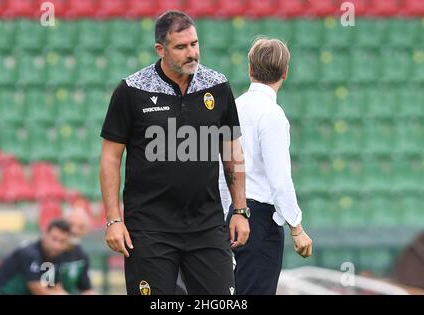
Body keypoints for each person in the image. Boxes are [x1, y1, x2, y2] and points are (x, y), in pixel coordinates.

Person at [100, 10, 250, 295]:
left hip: (207, 226)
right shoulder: (132, 91)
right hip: (149, 229)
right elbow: (110, 158)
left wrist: (240, 210)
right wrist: (113, 219)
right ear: (161, 49)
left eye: (194, 44)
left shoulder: (217, 86)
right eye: (181, 47)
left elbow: (233, 152)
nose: (191, 53)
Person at [219, 37, 313, 295]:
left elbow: (221, 170)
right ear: (285, 73)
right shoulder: (272, 114)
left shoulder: (232, 107)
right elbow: (279, 178)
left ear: (250, 70)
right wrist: (297, 227)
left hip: (230, 215)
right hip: (260, 221)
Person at [0, 219, 71, 295]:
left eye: (62, 241)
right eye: (54, 239)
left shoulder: (55, 256)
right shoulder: (30, 253)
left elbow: (55, 287)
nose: (57, 246)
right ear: (45, 235)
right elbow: (38, 290)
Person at [58, 208, 94, 295]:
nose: (74, 230)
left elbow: (86, 289)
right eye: (70, 225)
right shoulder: (51, 252)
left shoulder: (82, 255)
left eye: (81, 227)